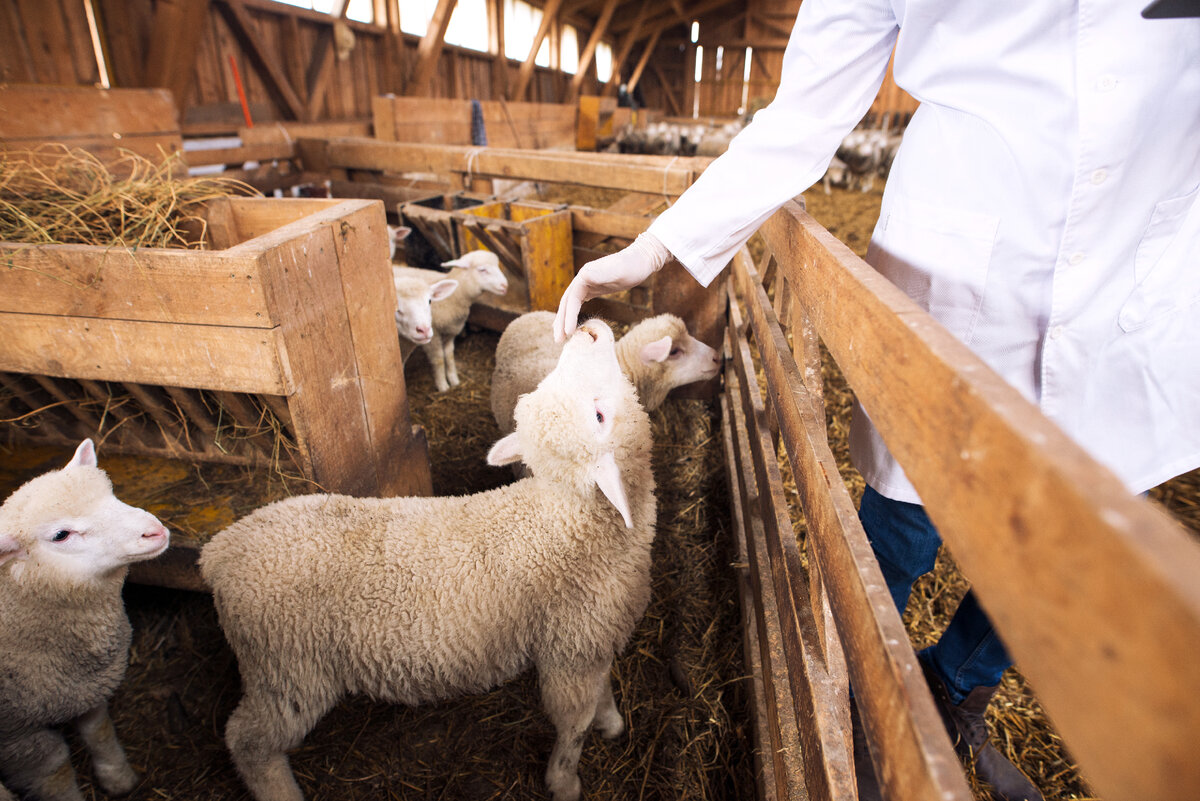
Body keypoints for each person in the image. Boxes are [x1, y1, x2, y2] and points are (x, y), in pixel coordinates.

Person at [553, 2, 1200, 800]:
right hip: (966, 266)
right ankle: (860, 701)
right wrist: (659, 243)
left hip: (1144, 256)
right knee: (903, 520)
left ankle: (958, 686)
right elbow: (807, 107)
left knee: (1076, 549)